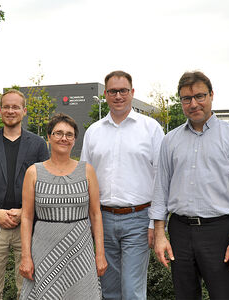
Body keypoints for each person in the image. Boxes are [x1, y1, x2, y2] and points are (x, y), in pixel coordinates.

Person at [150, 71, 229, 300]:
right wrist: (160, 234)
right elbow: (160, 189)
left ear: (211, 95)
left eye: (200, 96)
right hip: (180, 230)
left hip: (219, 232)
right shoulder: (170, 140)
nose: (193, 103)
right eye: (186, 98)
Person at [81, 70, 164, 299]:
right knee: (107, 289)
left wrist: (155, 225)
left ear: (132, 92)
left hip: (138, 220)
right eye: (113, 91)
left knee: (132, 290)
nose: (118, 96)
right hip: (102, 220)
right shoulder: (94, 132)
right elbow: (85, 179)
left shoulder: (151, 128)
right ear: (105, 94)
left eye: (123, 90)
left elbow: (161, 178)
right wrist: (88, 221)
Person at [19, 113, 107, 299]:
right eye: (58, 133)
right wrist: (26, 256)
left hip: (80, 249)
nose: (63, 138)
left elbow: (96, 214)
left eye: (69, 134)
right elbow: (26, 217)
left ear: (75, 140)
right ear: (49, 137)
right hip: (44, 249)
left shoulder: (87, 170)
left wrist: (100, 254)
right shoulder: (34, 172)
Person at [0, 89, 49, 299]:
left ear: (24, 111)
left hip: (27, 224)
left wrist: (26, 211)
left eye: (15, 107)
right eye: (6, 106)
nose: (10, 110)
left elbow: (44, 184)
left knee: (26, 289)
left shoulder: (38, 144)